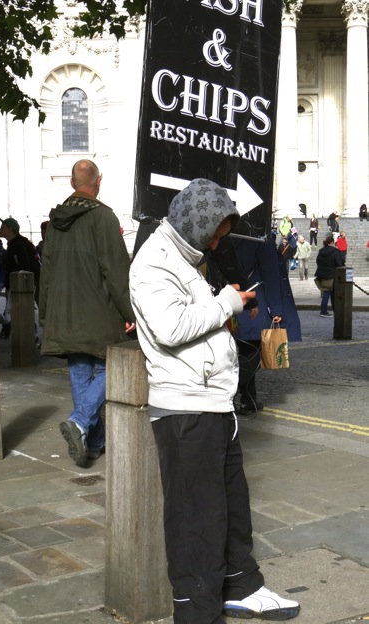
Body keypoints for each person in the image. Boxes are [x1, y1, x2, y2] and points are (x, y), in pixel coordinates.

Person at [129, 178, 300, 623]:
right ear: (196, 221)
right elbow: (170, 328)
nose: (220, 239)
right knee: (195, 520)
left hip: (212, 402)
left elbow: (192, 322)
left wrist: (220, 312)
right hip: (186, 408)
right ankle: (196, 612)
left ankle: (242, 587)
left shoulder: (188, 258)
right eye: (217, 231)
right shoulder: (155, 260)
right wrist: (226, 303)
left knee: (230, 504)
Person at [39, 160, 135, 467]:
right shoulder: (103, 217)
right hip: (100, 312)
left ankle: (93, 443)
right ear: (99, 182)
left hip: (64, 313)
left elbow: (47, 271)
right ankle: (80, 423)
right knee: (109, 370)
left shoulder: (55, 221)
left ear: (71, 183)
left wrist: (45, 313)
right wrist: (131, 311)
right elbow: (117, 272)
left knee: (80, 373)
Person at [208, 235, 301, 415]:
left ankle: (248, 398)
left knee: (241, 350)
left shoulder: (224, 237)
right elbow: (271, 275)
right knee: (253, 354)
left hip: (228, 299)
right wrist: (276, 309)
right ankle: (227, 394)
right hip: (254, 302)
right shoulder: (260, 241)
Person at [0, 217, 41, 338]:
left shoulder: (17, 245)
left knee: (17, 310)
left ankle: (29, 334)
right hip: (20, 284)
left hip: (21, 284)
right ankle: (27, 333)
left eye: (3, 226)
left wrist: (21, 284)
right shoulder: (18, 243)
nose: (0, 228)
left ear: (10, 229)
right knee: (19, 310)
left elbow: (24, 267)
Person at [314, 234, 344, 318]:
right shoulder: (335, 251)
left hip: (322, 274)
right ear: (332, 242)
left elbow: (318, 262)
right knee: (329, 293)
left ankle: (332, 310)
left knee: (327, 292)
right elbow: (339, 263)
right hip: (331, 274)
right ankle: (324, 311)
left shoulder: (321, 251)